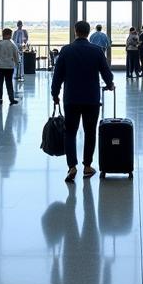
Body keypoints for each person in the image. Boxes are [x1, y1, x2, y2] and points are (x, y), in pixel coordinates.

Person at [51, 21, 114, 183]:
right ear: (88, 33)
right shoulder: (97, 51)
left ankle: (72, 166)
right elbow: (106, 72)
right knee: (90, 132)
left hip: (71, 98)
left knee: (70, 132)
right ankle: (87, 166)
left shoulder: (66, 50)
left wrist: (55, 94)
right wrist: (109, 85)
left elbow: (57, 75)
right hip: (92, 99)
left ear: (75, 32)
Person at [0, 28, 20, 106]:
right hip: (9, 66)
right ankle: (11, 99)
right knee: (9, 83)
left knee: (0, 83)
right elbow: (16, 56)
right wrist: (17, 63)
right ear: (9, 35)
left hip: (0, 66)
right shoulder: (12, 45)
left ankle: (0, 99)